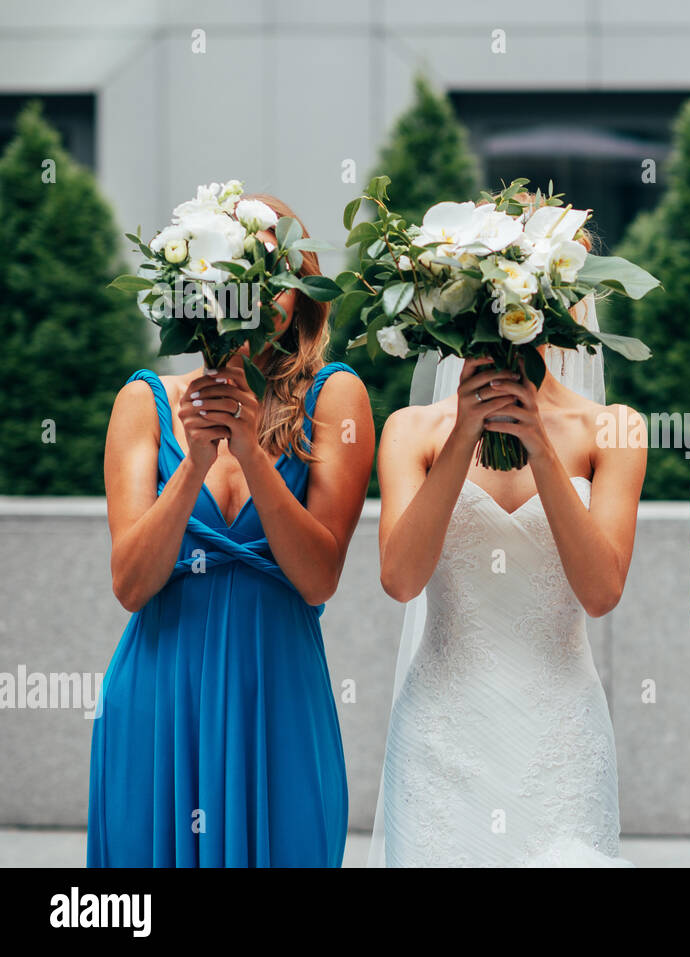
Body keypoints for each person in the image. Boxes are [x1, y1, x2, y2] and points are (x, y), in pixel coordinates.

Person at [88, 194, 374, 867]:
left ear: (298, 293)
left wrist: (250, 450)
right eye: (230, 279)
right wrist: (193, 465)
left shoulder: (337, 397)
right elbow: (130, 583)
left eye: (266, 278)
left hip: (278, 700)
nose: (245, 298)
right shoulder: (144, 402)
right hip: (161, 700)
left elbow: (317, 575)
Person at [370, 256, 645, 865]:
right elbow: (400, 579)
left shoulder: (614, 429)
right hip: (442, 735)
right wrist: (464, 433)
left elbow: (600, 593)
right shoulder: (411, 430)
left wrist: (542, 451)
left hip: (560, 737)